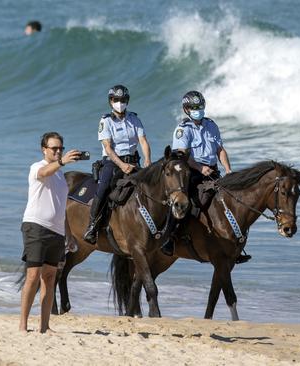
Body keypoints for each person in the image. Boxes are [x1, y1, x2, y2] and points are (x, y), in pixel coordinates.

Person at [19, 132, 80, 333]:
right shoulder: (37, 167)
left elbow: (61, 207)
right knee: (33, 275)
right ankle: (23, 325)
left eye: (60, 148)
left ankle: (44, 326)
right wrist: (62, 162)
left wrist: (68, 234)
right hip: (36, 226)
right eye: (54, 148)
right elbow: (45, 173)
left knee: (50, 277)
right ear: (44, 149)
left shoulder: (61, 177)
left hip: (56, 230)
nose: (58, 151)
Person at [163, 91, 232, 256]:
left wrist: (228, 170)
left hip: (213, 171)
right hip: (192, 171)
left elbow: (220, 150)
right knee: (186, 202)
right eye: (194, 107)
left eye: (200, 106)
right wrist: (200, 168)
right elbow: (182, 155)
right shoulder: (183, 129)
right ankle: (170, 237)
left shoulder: (211, 125)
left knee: (227, 200)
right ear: (186, 109)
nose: (198, 110)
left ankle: (231, 242)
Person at [83, 84, 152, 244]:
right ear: (110, 101)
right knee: (104, 188)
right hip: (112, 163)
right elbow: (107, 148)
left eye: (122, 100)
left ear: (127, 100)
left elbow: (143, 141)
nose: (119, 103)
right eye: (116, 100)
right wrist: (121, 165)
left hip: (134, 162)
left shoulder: (135, 119)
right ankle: (92, 225)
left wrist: (147, 160)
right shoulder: (105, 121)